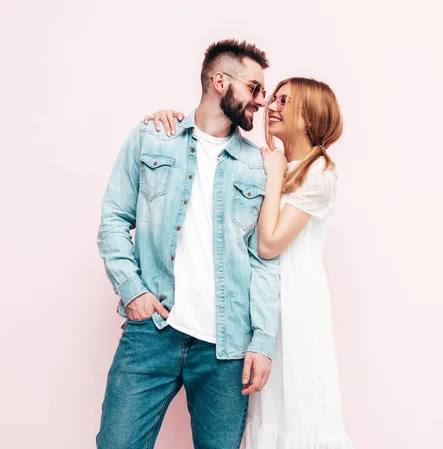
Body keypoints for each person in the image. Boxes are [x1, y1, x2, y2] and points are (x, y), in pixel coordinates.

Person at [145, 77, 354, 448]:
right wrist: (167, 122)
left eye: (284, 101)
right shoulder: (272, 163)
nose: (271, 105)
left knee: (297, 405)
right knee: (266, 408)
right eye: (273, 97)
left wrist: (273, 176)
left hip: (295, 301)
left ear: (308, 116)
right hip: (260, 300)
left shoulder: (318, 172)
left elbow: (270, 243)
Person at [96, 39, 280, 449]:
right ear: (219, 81)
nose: (260, 102)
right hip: (152, 334)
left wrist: (263, 340)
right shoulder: (153, 136)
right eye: (254, 89)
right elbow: (113, 219)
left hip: (226, 348)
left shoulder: (257, 165)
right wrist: (133, 291)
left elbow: (264, 260)